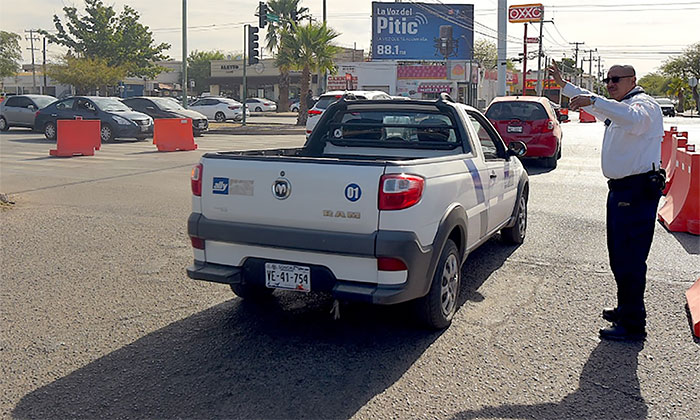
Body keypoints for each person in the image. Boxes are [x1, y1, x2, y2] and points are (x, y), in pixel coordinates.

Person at [548, 61, 664, 341]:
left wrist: (596, 99)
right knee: (619, 256)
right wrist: (566, 87)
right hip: (621, 192)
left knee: (630, 258)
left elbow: (631, 118)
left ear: (632, 79)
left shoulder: (643, 105)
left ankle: (633, 323)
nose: (610, 83)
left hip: (636, 192)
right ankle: (626, 308)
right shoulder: (621, 107)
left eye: (616, 79)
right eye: (607, 79)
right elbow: (596, 107)